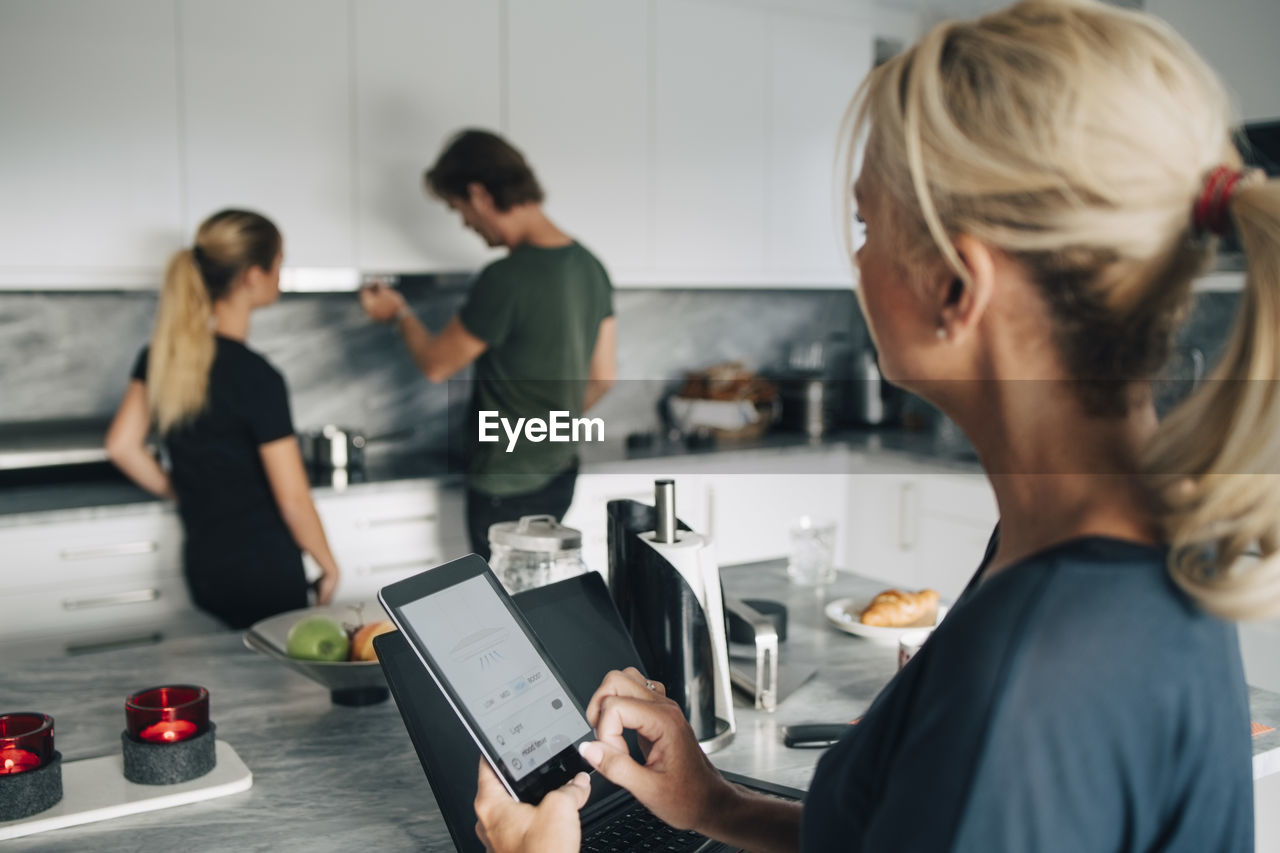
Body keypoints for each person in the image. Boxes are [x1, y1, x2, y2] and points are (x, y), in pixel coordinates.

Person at [472, 0, 1280, 849]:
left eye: (866, 224)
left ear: (957, 290)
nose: (855, 260)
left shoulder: (1037, 672)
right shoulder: (1091, 543)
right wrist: (717, 806)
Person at [360, 129, 616, 560]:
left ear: (479, 195)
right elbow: (603, 378)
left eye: (458, 208)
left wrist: (399, 314)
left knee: (501, 616)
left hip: (504, 487)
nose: (464, 223)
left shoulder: (506, 277)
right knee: (539, 598)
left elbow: (437, 365)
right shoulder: (591, 267)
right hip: (559, 473)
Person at [106, 209, 342, 630]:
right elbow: (293, 500)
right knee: (282, 688)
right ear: (253, 275)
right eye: (278, 263)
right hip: (265, 569)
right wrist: (328, 563)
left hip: (206, 565)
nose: (279, 276)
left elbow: (122, 446)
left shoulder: (161, 358)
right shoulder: (256, 376)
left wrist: (181, 492)